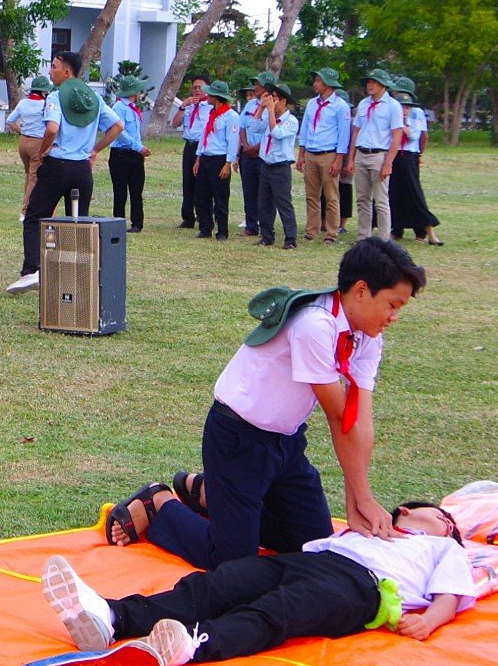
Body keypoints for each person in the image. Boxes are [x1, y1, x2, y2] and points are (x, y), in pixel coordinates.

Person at [104, 238, 426, 570]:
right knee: (232, 563)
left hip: (287, 444)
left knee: (311, 545)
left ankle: (209, 494)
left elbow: (358, 422)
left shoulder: (366, 336)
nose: (394, 316)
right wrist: (362, 498)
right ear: (361, 291)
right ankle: (158, 503)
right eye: (392, 304)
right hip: (238, 439)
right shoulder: (314, 326)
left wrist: (358, 499)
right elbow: (338, 417)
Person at [39, 501, 475, 665]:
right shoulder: (367, 525)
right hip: (312, 560)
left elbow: (451, 594)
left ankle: (194, 644)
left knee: (278, 611)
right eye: (444, 516)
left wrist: (429, 621)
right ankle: (112, 615)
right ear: (405, 510)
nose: (449, 524)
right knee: (220, 584)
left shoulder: (444, 548)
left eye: (452, 525)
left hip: (361, 586)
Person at [5, 54, 123, 294]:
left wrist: (43, 150)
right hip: (82, 170)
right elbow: (118, 126)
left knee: (34, 217)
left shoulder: (56, 97)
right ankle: (77, 278)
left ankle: (31, 271)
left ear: (66, 73)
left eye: (54, 67)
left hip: (57, 166)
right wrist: (95, 150)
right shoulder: (94, 98)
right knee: (77, 222)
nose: (50, 72)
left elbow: (52, 128)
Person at [346, 69, 403, 244]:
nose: (370, 85)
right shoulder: (364, 104)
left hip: (379, 154)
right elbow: (356, 131)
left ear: (383, 85)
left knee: (381, 201)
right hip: (362, 153)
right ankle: (364, 237)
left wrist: (388, 163)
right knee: (362, 199)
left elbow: (397, 136)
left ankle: (385, 240)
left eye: (374, 82)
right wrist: (351, 158)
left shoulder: (393, 106)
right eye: (368, 82)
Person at [297, 69, 352, 243]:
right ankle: (312, 230)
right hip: (311, 153)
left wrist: (339, 159)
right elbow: (305, 128)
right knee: (311, 195)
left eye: (318, 81)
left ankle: (331, 232)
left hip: (329, 154)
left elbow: (344, 135)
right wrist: (301, 154)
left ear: (328, 84)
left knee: (331, 195)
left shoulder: (341, 106)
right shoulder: (312, 104)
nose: (315, 84)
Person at [386, 79, 443, 245]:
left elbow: (420, 136)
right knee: (394, 192)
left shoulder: (416, 112)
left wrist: (419, 153)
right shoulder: (391, 109)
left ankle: (423, 229)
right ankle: (396, 228)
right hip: (394, 154)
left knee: (414, 192)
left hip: (409, 155)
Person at [189, 81, 239, 242]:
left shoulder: (231, 116)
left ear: (216, 97)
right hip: (206, 157)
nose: (207, 96)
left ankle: (222, 231)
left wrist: (228, 163)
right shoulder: (211, 114)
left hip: (219, 159)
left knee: (220, 197)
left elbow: (232, 141)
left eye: (210, 94)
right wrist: (198, 159)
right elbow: (204, 137)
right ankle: (205, 228)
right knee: (201, 195)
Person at [253, 83, 301, 250]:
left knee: (283, 204)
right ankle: (267, 236)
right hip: (266, 165)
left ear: (283, 101)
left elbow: (277, 133)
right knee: (264, 204)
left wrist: (270, 111)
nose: (271, 103)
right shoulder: (268, 116)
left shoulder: (291, 121)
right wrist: (261, 107)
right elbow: (254, 127)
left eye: (275, 99)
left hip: (281, 167)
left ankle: (290, 239)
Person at [3, 74, 53, 215]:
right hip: (38, 142)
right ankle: (26, 211)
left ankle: (27, 206)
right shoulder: (46, 105)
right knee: (34, 178)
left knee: (28, 174)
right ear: (44, 92)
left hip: (23, 142)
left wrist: (22, 131)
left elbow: (10, 121)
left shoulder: (23, 103)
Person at [107, 77, 150, 234]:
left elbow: (135, 132)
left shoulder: (133, 108)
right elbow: (119, 132)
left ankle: (137, 223)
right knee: (120, 191)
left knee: (136, 190)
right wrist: (138, 147)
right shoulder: (119, 107)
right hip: (121, 154)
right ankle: (118, 222)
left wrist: (139, 150)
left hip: (135, 154)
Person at [235, 75, 271, 239]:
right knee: (249, 191)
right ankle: (251, 226)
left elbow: (270, 131)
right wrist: (245, 146)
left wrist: (256, 148)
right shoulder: (250, 104)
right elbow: (242, 126)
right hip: (247, 154)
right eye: (255, 84)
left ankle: (265, 226)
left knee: (264, 193)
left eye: (258, 85)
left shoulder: (273, 105)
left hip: (263, 154)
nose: (255, 88)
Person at [175, 76, 210, 231]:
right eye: (194, 87)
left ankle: (203, 216)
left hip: (202, 147)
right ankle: (187, 217)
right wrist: (183, 106)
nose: (197, 90)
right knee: (187, 182)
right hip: (189, 145)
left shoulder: (210, 107)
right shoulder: (188, 106)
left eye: (200, 87)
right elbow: (175, 123)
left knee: (202, 183)